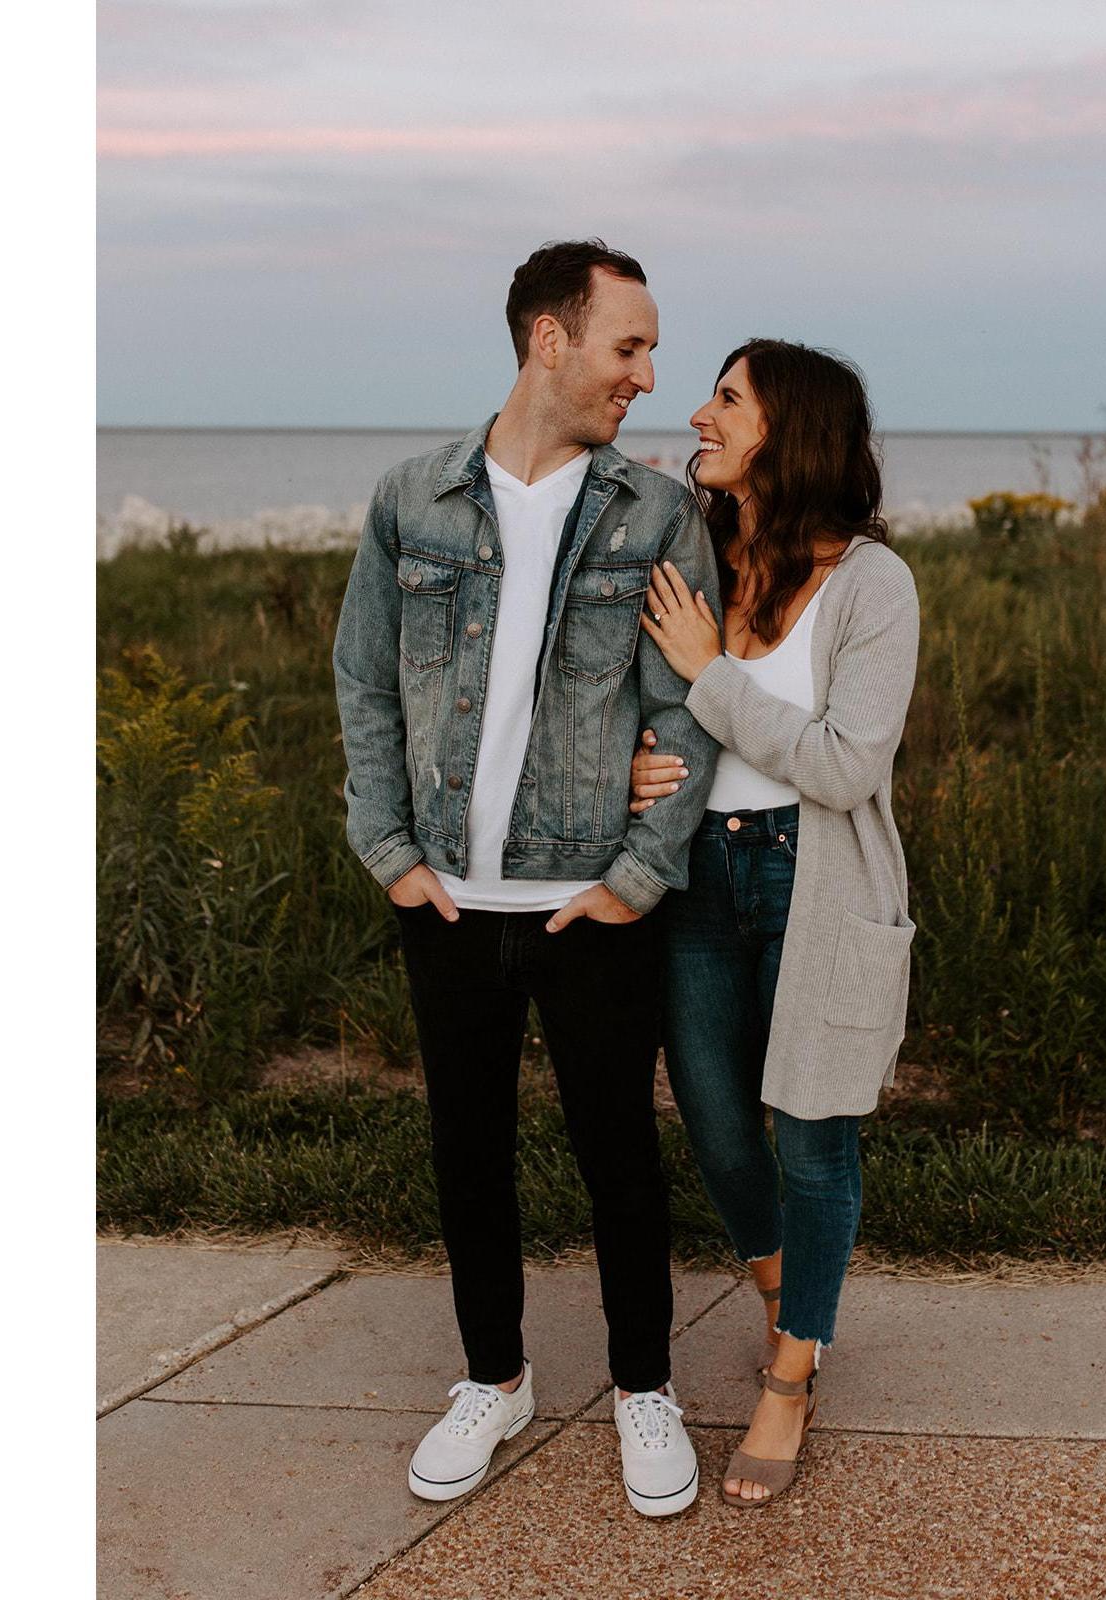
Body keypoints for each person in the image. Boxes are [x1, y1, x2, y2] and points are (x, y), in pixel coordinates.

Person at [332, 240, 720, 1517]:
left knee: (619, 1151)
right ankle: (492, 1378)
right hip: (448, 899)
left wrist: (638, 873)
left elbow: (684, 711)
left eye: (650, 350)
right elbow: (363, 681)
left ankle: (644, 1386)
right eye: (628, 345)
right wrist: (390, 852)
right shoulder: (412, 500)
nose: (645, 374)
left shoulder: (654, 514)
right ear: (550, 339)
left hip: (588, 900)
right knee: (468, 1150)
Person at [631, 339, 920, 1508]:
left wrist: (712, 677)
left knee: (811, 1136)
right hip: (697, 872)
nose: (699, 414)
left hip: (817, 879)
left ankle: (791, 1372)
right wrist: (634, 768)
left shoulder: (871, 584)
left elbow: (845, 766)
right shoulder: (700, 556)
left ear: (787, 428)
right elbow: (645, 706)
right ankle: (785, 1294)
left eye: (726, 398)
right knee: (714, 1123)